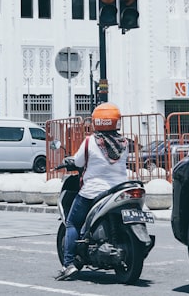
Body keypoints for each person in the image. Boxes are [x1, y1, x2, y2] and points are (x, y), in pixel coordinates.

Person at [56, 103, 129, 281]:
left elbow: (79, 162)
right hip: (120, 189)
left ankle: (68, 264)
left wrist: (70, 160)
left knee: (72, 222)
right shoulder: (124, 143)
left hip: (93, 191)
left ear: (97, 121)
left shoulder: (90, 141)